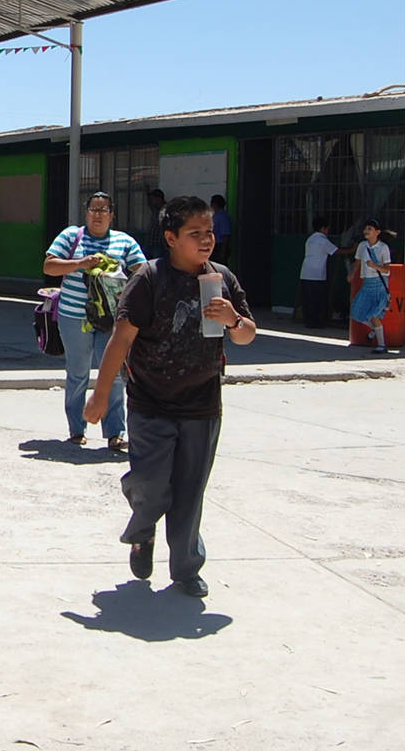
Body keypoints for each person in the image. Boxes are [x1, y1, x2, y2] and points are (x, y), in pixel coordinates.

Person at [85, 196, 256, 597]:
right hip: (151, 402)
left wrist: (232, 319)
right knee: (151, 484)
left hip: (202, 405)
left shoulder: (222, 279)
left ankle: (186, 568)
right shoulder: (149, 278)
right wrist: (100, 394)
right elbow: (121, 339)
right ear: (171, 238)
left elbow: (247, 334)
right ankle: (142, 530)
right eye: (195, 233)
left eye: (209, 232)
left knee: (189, 493)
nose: (206, 240)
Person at [43, 191, 146, 449]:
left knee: (113, 373)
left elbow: (143, 272)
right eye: (93, 210)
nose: (97, 215)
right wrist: (80, 263)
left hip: (111, 319)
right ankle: (77, 429)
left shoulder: (124, 241)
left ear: (112, 215)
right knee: (78, 373)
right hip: (74, 316)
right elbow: (49, 266)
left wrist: (126, 288)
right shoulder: (70, 236)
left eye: (103, 210)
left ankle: (115, 433)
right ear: (86, 212)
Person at [299, 216, 355, 328]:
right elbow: (337, 251)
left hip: (305, 272)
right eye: (327, 229)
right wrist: (353, 250)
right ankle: (316, 322)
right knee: (318, 299)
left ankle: (309, 321)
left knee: (308, 299)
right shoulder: (323, 240)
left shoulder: (310, 239)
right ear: (323, 228)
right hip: (317, 275)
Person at [349, 218, 392, 353]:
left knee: (374, 315)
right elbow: (357, 262)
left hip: (379, 285)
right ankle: (375, 330)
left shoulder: (383, 248)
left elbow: (387, 270)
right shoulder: (362, 246)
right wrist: (352, 274)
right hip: (367, 283)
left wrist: (374, 266)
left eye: (369, 229)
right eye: (365, 229)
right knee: (356, 311)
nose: (366, 231)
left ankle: (381, 345)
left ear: (377, 232)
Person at [142, 188, 166, 259]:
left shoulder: (165, 209)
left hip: (158, 244)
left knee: (157, 262)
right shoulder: (155, 209)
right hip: (149, 242)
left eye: (153, 198)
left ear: (159, 198)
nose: (152, 201)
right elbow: (149, 204)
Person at [209, 194, 232, 264]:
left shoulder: (222, 217)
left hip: (219, 246)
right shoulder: (216, 215)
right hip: (214, 246)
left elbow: (226, 235)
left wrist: (222, 252)